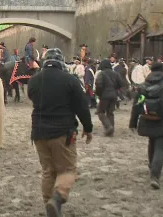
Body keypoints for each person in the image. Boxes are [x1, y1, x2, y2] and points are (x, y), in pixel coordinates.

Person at [27, 48, 93, 217]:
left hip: (39, 133)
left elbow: (32, 98)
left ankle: (49, 204)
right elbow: (82, 107)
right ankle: (56, 200)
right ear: (61, 62)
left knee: (48, 171)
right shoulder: (70, 80)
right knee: (67, 170)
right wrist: (88, 127)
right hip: (63, 133)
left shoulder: (34, 80)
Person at [129, 62, 163, 190]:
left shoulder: (143, 86)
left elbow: (136, 105)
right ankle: (155, 175)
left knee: (151, 141)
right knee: (160, 147)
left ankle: (152, 166)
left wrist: (133, 123)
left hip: (148, 119)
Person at [94, 59, 125, 136]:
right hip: (114, 95)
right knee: (110, 113)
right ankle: (111, 131)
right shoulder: (116, 73)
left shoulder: (101, 74)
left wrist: (99, 94)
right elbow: (121, 83)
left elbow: (99, 85)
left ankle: (108, 127)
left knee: (100, 112)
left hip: (104, 95)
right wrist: (115, 89)